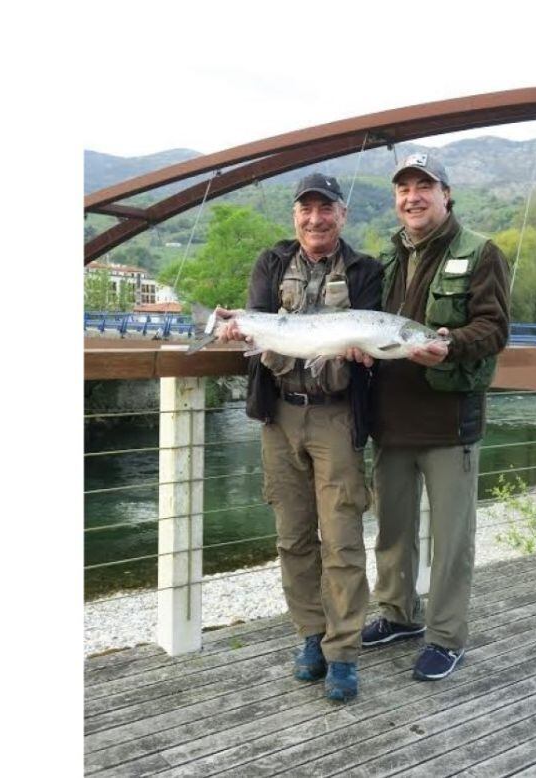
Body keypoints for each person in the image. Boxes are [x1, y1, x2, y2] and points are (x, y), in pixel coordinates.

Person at [213, 173, 382, 702]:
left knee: (342, 538)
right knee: (293, 536)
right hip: (279, 414)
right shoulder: (270, 262)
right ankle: (310, 635)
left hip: (336, 418)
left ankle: (344, 651)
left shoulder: (366, 269)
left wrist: (364, 351)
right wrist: (234, 327)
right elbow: (258, 318)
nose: (315, 219)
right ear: (295, 215)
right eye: (306, 209)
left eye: (325, 209)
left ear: (342, 215)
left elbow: (374, 340)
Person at [361, 153, 510, 681]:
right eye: (404, 188)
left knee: (452, 541)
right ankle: (398, 615)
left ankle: (446, 636)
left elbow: (494, 329)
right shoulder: (387, 256)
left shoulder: (481, 252)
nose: (413, 197)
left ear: (446, 194)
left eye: (425, 186)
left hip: (450, 422)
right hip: (392, 422)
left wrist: (451, 346)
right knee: (393, 532)